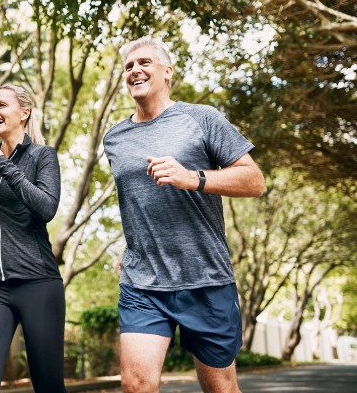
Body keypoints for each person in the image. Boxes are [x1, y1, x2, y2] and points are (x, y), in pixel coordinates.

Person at [103, 36, 265, 393]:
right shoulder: (114, 138)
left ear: (167, 72)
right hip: (143, 279)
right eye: (129, 66)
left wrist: (192, 178)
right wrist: (128, 246)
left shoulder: (201, 118)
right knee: (136, 384)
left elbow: (254, 181)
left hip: (204, 277)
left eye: (144, 62)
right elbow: (135, 200)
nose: (135, 70)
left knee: (220, 388)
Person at [0, 84, 67, 393]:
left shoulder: (42, 156)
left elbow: (46, 207)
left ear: (24, 113)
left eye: (1, 105)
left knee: (48, 386)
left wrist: (3, 164)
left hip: (37, 282)